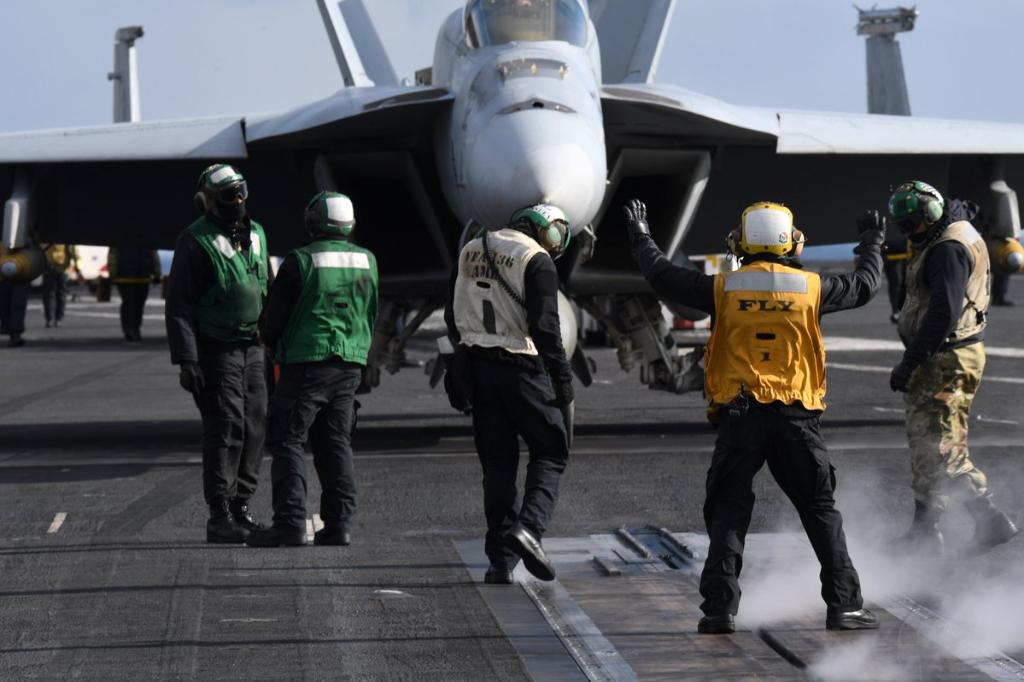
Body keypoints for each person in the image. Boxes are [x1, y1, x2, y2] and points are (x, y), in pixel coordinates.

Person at [624, 199, 884, 634]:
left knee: (728, 510)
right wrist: (871, 241)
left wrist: (641, 236)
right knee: (819, 510)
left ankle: (718, 610)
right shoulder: (812, 288)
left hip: (740, 416)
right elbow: (866, 284)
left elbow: (662, 275)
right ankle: (845, 605)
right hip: (797, 418)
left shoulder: (723, 288)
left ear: (741, 243)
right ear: (791, 242)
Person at [444, 204, 575, 584]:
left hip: (478, 367)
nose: (555, 244)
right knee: (551, 451)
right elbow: (546, 328)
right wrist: (562, 380)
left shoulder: (471, 248)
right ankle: (530, 529)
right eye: (556, 235)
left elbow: (452, 313)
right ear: (542, 230)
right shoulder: (536, 260)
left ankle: (500, 561)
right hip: (523, 368)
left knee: (498, 466)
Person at [887, 180, 1018, 555]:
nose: (909, 232)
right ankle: (925, 530)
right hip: (942, 356)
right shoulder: (944, 233)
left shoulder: (947, 249)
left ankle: (990, 519)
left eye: (912, 224)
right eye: (903, 226)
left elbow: (943, 313)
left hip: (947, 358)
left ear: (931, 214)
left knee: (944, 449)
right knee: (924, 442)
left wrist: (910, 362)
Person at [246, 192, 378, 547]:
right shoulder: (367, 260)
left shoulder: (301, 261)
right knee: (335, 442)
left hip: (307, 363)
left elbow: (274, 317)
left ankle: (289, 522)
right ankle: (339, 524)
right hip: (349, 363)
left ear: (313, 221)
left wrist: (268, 341)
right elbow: (371, 311)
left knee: (287, 439)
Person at [165, 164, 271, 543]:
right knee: (226, 425)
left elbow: (268, 287)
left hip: (254, 347)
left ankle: (241, 505)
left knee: (255, 423)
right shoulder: (195, 240)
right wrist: (187, 359)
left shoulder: (257, 234)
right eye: (229, 195)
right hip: (216, 348)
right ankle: (220, 513)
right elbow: (178, 304)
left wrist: (276, 341)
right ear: (208, 200)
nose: (238, 200)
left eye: (242, 191)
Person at [109, 247, 161, 342]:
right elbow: (154, 254)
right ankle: (134, 329)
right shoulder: (147, 238)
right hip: (141, 275)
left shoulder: (119, 238)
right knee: (137, 305)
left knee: (129, 304)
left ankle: (130, 329)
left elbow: (113, 254)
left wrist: (112, 273)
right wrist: (157, 273)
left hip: (125, 275)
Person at [40, 243, 75, 328]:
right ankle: (53, 319)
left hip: (58, 269)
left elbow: (71, 252)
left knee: (56, 295)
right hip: (53, 269)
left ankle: (54, 319)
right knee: (54, 295)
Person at [883, 237, 909, 323]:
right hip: (891, 256)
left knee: (907, 284)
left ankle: (904, 311)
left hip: (908, 254)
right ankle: (896, 311)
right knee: (896, 282)